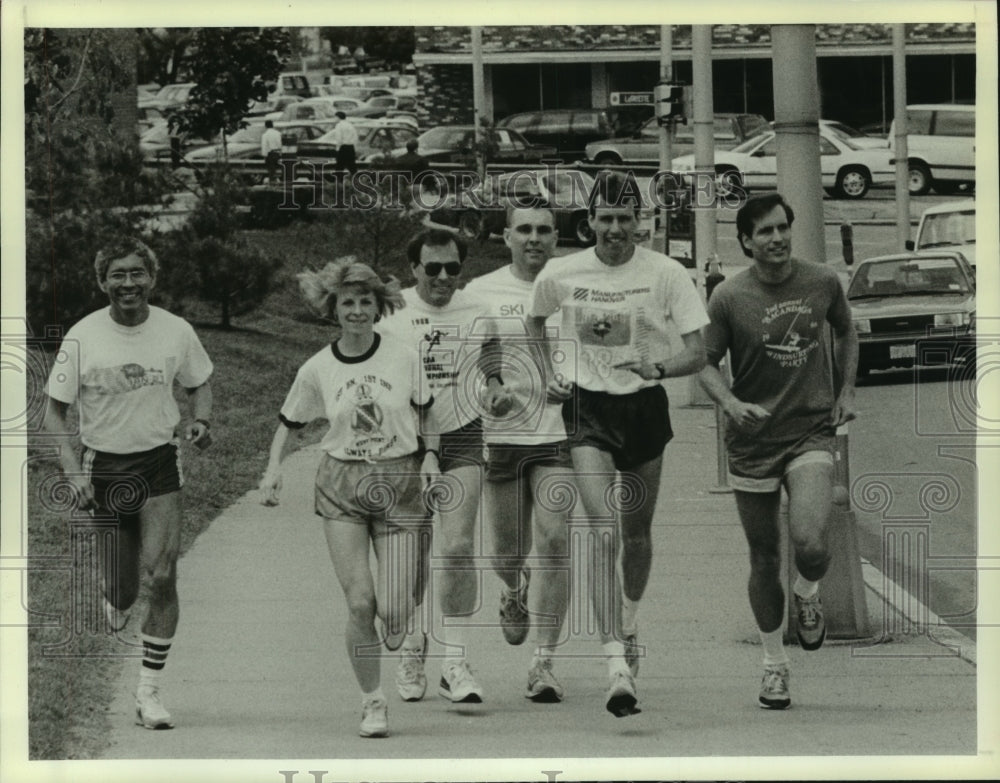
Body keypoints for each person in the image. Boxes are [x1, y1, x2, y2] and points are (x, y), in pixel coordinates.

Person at [527, 170, 709, 716]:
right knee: (602, 531)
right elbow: (534, 321)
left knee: (637, 533)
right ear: (589, 223)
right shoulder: (561, 272)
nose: (614, 229)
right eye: (604, 219)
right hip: (587, 409)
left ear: (639, 223)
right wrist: (548, 374)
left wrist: (656, 366)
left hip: (644, 407)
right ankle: (616, 666)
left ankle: (628, 621)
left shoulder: (665, 273)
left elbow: (697, 352)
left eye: (624, 219)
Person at [258, 258, 437, 738]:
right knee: (360, 604)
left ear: (379, 307)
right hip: (343, 486)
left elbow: (427, 415)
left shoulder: (403, 356)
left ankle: (405, 623)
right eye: (347, 303)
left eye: (365, 302)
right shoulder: (317, 367)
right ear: (332, 309)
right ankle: (372, 701)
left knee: (395, 612)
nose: (357, 311)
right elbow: (289, 425)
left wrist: (434, 457)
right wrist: (274, 469)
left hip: (400, 481)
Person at [43, 237, 214, 730]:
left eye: (137, 273)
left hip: (160, 464)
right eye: (117, 275)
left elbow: (199, 381)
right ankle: (115, 601)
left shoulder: (176, 331)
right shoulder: (83, 336)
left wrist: (200, 421)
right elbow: (54, 413)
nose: (128, 283)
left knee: (162, 576)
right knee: (122, 590)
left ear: (151, 278)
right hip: (105, 470)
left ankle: (149, 691)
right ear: (103, 283)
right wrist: (74, 471)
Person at [697, 192, 858, 710]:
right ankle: (774, 666)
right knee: (764, 558)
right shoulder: (728, 297)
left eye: (782, 228)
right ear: (745, 241)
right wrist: (729, 401)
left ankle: (808, 595)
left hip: (809, 431)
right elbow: (703, 361)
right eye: (764, 231)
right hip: (752, 441)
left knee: (810, 540)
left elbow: (846, 330)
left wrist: (846, 392)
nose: (777, 238)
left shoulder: (822, 281)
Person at [463, 205, 573, 703]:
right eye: (524, 229)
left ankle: (544, 663)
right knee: (507, 553)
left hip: (561, 434)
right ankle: (513, 588)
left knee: (554, 540)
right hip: (502, 436)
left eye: (544, 230)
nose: (534, 238)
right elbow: (473, 355)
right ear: (506, 236)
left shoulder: (576, 283)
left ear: (556, 237)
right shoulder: (481, 292)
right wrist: (492, 385)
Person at [379, 228, 492, 705]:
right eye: (433, 268)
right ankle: (412, 643)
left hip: (462, 435)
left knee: (460, 546)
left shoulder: (477, 311)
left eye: (453, 268)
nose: (443, 277)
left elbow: (494, 364)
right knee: (413, 558)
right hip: (405, 444)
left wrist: (501, 389)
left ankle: (455, 661)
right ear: (414, 269)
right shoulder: (392, 315)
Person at [260, 119, 283, 185]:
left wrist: (264, 155)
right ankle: (279, 181)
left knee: (271, 170)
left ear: (266, 126)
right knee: (280, 168)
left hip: (270, 154)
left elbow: (264, 146)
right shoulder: (278, 133)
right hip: (278, 153)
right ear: (272, 125)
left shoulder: (265, 135)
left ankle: (272, 182)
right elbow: (280, 144)